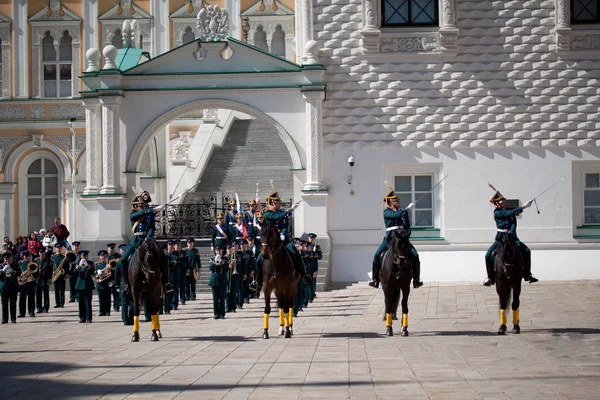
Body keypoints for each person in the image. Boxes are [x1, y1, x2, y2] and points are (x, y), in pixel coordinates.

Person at [369, 190, 423, 289]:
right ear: (390, 202)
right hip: (390, 239)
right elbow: (395, 215)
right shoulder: (387, 212)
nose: (398, 201)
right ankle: (374, 279)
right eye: (396, 200)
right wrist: (406, 210)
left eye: (398, 199)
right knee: (377, 254)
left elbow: (407, 227)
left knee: (415, 255)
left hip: (402, 240)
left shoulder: (402, 213)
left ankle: (416, 279)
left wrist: (406, 216)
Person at [483, 191, 538, 286]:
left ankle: (527, 274)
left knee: (527, 251)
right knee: (488, 255)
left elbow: (513, 223)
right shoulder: (497, 213)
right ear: (497, 204)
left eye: (504, 201)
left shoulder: (508, 211)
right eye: (501, 202)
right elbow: (508, 213)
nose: (504, 203)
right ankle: (490, 278)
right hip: (500, 239)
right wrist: (523, 207)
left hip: (512, 238)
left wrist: (511, 232)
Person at [116, 195, 166, 293]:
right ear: (136, 207)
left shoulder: (150, 215)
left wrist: (148, 238)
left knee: (163, 256)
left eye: (142, 205)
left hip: (147, 240)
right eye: (139, 206)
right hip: (136, 240)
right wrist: (153, 209)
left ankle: (166, 282)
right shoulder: (133, 215)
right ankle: (125, 283)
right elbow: (137, 215)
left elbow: (151, 228)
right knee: (122, 261)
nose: (141, 207)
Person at [263, 191, 312, 285]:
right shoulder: (267, 214)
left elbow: (286, 225)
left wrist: (283, 234)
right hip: (272, 241)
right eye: (277, 203)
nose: (279, 204)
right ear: (272, 204)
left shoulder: (282, 213)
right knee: (260, 258)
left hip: (283, 239)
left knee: (294, 251)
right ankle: (257, 280)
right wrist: (291, 210)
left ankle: (303, 274)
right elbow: (278, 216)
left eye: (279, 203)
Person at [0, 251, 21, 323]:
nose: (7, 260)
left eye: (8, 259)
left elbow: (19, 272)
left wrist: (13, 271)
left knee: (13, 303)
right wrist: (2, 270)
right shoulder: (1, 266)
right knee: (4, 304)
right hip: (4, 287)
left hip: (13, 287)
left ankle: (13, 318)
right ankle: (4, 319)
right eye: (5, 259)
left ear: (11, 258)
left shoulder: (15, 265)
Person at [208, 245, 228, 319]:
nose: (218, 252)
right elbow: (210, 267)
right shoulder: (212, 258)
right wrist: (215, 263)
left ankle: (222, 314)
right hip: (214, 280)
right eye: (217, 250)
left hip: (222, 280)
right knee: (215, 298)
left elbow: (226, 269)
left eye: (220, 250)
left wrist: (221, 262)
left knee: (222, 298)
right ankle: (216, 313)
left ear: (222, 251)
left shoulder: (225, 259)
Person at [75, 250, 94, 323]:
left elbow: (91, 271)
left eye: (86, 256)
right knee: (81, 302)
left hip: (88, 284)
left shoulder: (90, 263)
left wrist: (87, 266)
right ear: (81, 256)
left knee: (88, 301)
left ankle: (89, 317)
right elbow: (74, 273)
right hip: (80, 284)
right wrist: (78, 267)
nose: (85, 257)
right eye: (83, 256)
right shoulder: (77, 264)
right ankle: (82, 317)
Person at [18, 251, 37, 318]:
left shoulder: (33, 264)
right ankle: (21, 312)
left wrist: (33, 278)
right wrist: (20, 276)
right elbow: (18, 272)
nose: (26, 257)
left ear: (29, 256)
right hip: (23, 284)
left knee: (31, 298)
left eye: (27, 256)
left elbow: (36, 273)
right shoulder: (20, 263)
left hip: (31, 283)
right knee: (22, 298)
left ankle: (31, 311)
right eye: (25, 256)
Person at [35, 247, 53, 313]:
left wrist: (49, 279)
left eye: (42, 253)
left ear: (44, 253)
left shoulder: (49, 261)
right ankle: (39, 308)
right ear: (38, 253)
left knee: (46, 294)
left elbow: (50, 271)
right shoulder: (36, 260)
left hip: (45, 279)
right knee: (38, 294)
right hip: (38, 279)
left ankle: (46, 308)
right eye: (40, 253)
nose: (41, 254)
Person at [51, 243, 67, 308]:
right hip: (55, 274)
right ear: (55, 249)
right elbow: (51, 265)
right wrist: (52, 272)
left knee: (62, 289)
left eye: (60, 248)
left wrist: (66, 274)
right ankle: (57, 302)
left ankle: (62, 303)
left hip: (62, 274)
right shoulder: (53, 257)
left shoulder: (64, 257)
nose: (59, 249)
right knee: (56, 289)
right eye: (57, 248)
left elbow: (66, 266)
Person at [307, 233, 321, 301]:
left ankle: (312, 293)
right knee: (308, 281)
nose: (311, 239)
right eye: (310, 238)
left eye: (312, 238)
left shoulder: (317, 247)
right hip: (308, 266)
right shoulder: (305, 246)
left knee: (313, 281)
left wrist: (317, 255)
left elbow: (320, 256)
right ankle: (309, 296)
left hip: (314, 266)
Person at [106, 243, 120, 312]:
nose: (112, 250)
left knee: (116, 294)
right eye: (110, 249)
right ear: (108, 249)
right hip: (107, 278)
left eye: (113, 249)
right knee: (107, 294)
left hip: (114, 277)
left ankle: (116, 307)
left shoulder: (117, 256)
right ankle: (107, 309)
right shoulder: (106, 257)